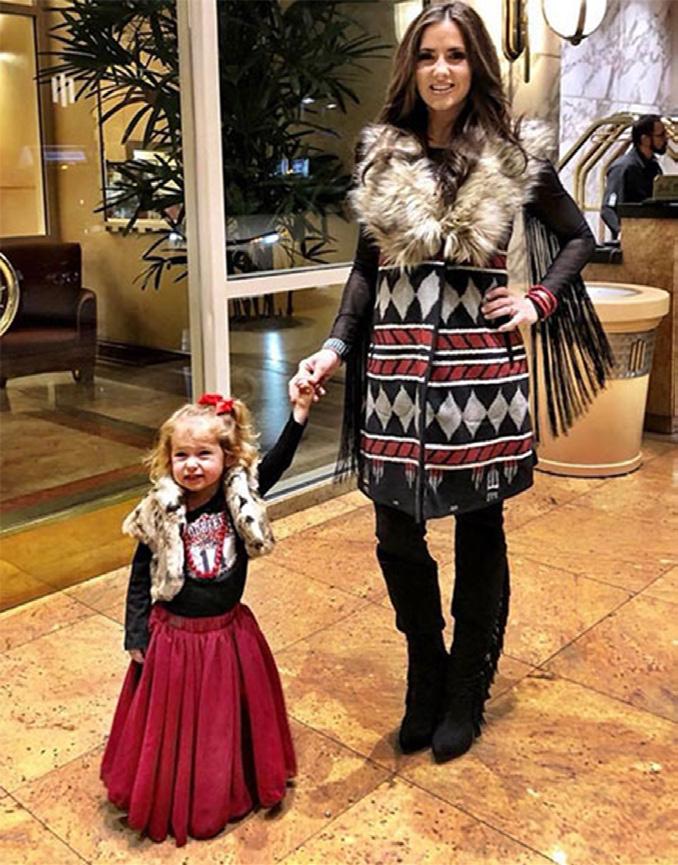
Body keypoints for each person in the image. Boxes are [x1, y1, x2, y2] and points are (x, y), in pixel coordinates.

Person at [290, 2, 611, 763]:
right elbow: (365, 273)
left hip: (481, 376)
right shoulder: (383, 157)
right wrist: (333, 348)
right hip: (395, 379)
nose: (441, 70)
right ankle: (425, 669)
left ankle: (467, 684)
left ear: (477, 67)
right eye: (429, 55)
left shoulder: (512, 154)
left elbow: (579, 237)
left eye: (457, 56)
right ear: (411, 65)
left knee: (479, 528)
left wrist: (537, 300)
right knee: (394, 531)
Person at [101, 385, 314, 846]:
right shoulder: (159, 510)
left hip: (227, 637)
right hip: (173, 641)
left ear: (227, 456)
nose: (192, 465)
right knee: (172, 726)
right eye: (181, 455)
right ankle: (171, 789)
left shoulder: (238, 497)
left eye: (204, 454)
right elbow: (139, 576)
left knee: (222, 719)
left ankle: (225, 783)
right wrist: (135, 633)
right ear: (168, 459)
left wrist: (298, 414)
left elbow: (276, 463)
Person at [601, 114, 667, 238]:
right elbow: (608, 209)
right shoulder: (623, 168)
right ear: (645, 139)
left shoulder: (653, 167)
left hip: (652, 236)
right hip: (632, 239)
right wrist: (622, 233)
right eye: (661, 135)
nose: (665, 139)